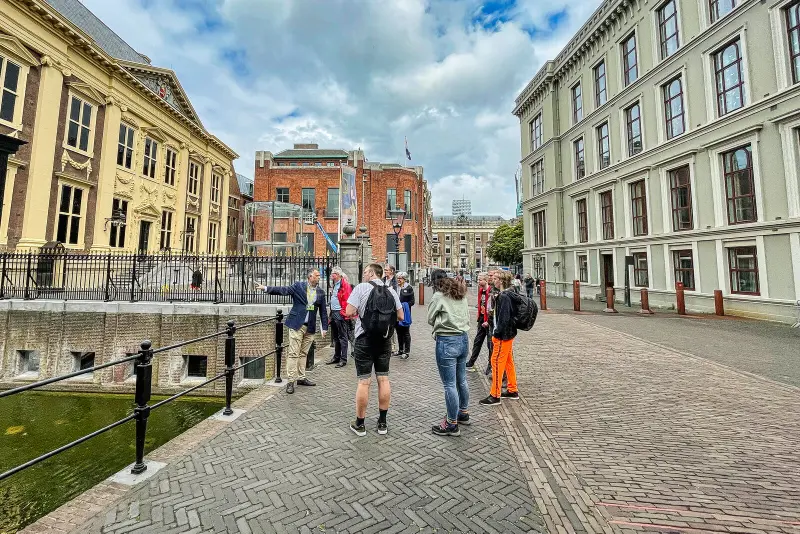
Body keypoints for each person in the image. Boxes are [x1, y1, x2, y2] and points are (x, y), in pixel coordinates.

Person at [346, 263, 403, 437]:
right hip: (384, 340)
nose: (363, 274)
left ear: (371, 273)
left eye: (365, 271)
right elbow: (401, 316)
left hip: (364, 339)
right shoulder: (391, 290)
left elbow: (349, 311)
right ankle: (382, 423)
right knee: (383, 380)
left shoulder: (361, 288)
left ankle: (360, 424)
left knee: (364, 382)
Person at [256, 269, 328, 394]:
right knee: (293, 353)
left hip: (310, 327)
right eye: (317, 276)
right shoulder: (298, 286)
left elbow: (323, 312)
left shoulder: (321, 293)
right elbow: (283, 290)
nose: (319, 278)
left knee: (303, 353)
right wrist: (266, 288)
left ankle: (301, 378)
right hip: (296, 325)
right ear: (310, 276)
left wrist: (324, 327)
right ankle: (290, 381)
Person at [427, 270, 471, 436]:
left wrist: (440, 321)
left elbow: (430, 318)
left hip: (447, 340)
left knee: (449, 384)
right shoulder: (461, 294)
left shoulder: (439, 296)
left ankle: (451, 423)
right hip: (463, 338)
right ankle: (463, 413)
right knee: (462, 379)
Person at [480, 270, 520, 406]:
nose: (493, 280)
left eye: (496, 278)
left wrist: (496, 333)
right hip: (510, 333)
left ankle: (495, 395)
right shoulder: (511, 293)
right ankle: (512, 389)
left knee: (496, 362)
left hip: (503, 335)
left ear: (501, 281)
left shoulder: (504, 296)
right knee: (509, 362)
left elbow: (503, 318)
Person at [325, 266, 352, 368]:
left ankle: (343, 359)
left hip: (340, 313)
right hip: (334, 312)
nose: (332, 275)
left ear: (339, 275)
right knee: (335, 337)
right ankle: (336, 356)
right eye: (332, 273)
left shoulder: (344, 285)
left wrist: (344, 313)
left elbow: (347, 300)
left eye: (334, 273)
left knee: (342, 337)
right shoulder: (335, 284)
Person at [466, 272, 493, 371]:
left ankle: (490, 366)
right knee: (477, 341)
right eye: (478, 279)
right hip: (481, 319)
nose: (478, 281)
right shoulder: (481, 291)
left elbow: (491, 308)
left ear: (485, 280)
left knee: (490, 344)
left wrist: (489, 321)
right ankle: (471, 362)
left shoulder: (490, 291)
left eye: (480, 279)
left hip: (489, 321)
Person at [395, 271, 415, 359]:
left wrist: (404, 305)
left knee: (406, 332)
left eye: (400, 278)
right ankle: (400, 350)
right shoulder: (395, 287)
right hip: (396, 313)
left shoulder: (409, 288)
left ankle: (407, 351)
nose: (398, 280)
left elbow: (412, 301)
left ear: (404, 279)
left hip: (405, 313)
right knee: (398, 332)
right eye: (398, 278)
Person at [384, 264, 400, 356]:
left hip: (392, 308)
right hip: (383, 307)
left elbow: (397, 295)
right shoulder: (383, 280)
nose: (385, 271)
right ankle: (386, 345)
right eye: (385, 270)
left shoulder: (395, 282)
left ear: (392, 271)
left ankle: (393, 347)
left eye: (386, 270)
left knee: (391, 327)